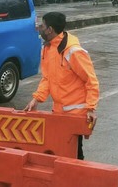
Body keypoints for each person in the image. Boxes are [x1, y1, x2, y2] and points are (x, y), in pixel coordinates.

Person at [24, 12, 99, 160]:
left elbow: (91, 80)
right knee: (60, 152)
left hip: (74, 115)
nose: (39, 28)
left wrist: (91, 108)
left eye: (42, 26)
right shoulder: (48, 48)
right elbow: (47, 78)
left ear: (50, 29)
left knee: (74, 155)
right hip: (59, 112)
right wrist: (37, 99)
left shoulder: (73, 51)